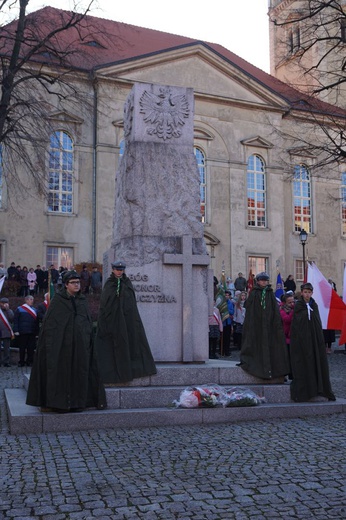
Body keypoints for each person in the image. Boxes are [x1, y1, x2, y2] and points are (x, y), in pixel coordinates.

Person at [26, 270, 106, 413]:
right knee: (60, 374)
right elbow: (51, 326)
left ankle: (77, 402)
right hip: (61, 347)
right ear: (66, 285)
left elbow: (86, 322)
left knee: (79, 373)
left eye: (78, 282)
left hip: (80, 347)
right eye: (73, 283)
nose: (77, 285)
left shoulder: (82, 300)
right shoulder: (58, 301)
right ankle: (58, 404)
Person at [95, 260, 157, 384]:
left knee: (130, 341)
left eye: (121, 269)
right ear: (113, 269)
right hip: (113, 320)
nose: (119, 271)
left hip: (127, 319)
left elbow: (131, 302)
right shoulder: (109, 284)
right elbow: (105, 303)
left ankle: (130, 368)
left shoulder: (127, 283)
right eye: (117, 269)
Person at [290, 282, 336, 402]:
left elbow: (316, 321)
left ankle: (319, 387)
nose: (307, 294)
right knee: (305, 362)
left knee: (316, 361)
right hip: (303, 341)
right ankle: (306, 390)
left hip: (314, 340)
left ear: (312, 293)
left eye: (309, 292)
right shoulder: (299, 305)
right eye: (305, 292)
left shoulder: (313, 305)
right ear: (302, 292)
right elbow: (297, 323)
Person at [239, 272, 289, 379]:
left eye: (266, 280)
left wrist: (274, 322)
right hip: (257, 324)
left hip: (269, 324)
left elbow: (274, 309)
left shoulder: (270, 293)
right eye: (262, 280)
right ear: (258, 281)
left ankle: (271, 369)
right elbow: (250, 309)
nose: (264, 282)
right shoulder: (254, 293)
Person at [13, 295, 39, 367]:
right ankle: (21, 361)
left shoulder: (34, 310)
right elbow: (16, 321)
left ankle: (29, 361)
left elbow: (36, 322)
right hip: (22, 332)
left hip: (32, 332)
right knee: (22, 348)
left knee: (31, 348)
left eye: (32, 299)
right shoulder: (19, 309)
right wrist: (16, 330)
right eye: (30, 299)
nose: (32, 301)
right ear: (26, 300)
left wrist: (37, 332)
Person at [279, 293, 295, 380]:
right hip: (285, 337)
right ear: (285, 303)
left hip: (293, 337)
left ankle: (293, 375)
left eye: (293, 302)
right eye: (290, 302)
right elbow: (286, 319)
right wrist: (293, 312)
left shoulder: (294, 308)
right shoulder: (281, 310)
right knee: (286, 358)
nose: (292, 304)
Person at [0, 297, 14, 367]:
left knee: (6, 349)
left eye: (6, 303)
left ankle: (6, 362)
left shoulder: (10, 311)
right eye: (3, 303)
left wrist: (7, 310)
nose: (4, 305)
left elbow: (12, 319)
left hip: (6, 331)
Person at [221, 290, 234, 357]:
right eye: (225, 295)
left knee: (227, 338)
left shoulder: (230, 303)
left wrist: (227, 311)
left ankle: (227, 351)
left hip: (228, 322)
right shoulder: (221, 303)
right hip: (222, 322)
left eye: (228, 295)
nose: (226, 296)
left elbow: (232, 312)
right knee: (222, 337)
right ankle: (222, 351)